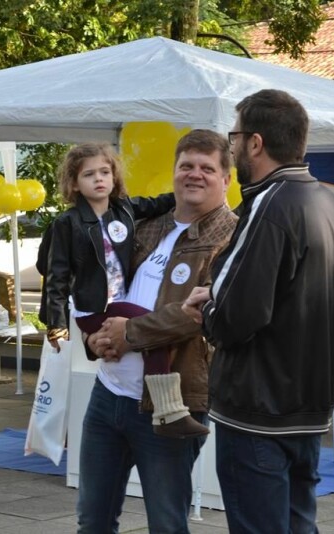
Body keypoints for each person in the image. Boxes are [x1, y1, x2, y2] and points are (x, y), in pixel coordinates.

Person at [183, 90, 334, 533]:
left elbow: (239, 316)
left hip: (259, 410)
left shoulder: (271, 204)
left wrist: (208, 307)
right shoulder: (333, 206)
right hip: (308, 409)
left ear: (255, 143)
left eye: (235, 137)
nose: (233, 146)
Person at [81, 129, 237, 533]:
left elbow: (200, 315)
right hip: (109, 394)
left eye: (207, 168)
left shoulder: (233, 237)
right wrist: (94, 335)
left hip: (172, 403)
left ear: (227, 179)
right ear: (174, 172)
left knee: (166, 524)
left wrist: (128, 333)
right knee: (92, 520)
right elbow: (106, 283)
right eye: (186, 165)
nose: (195, 175)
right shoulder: (147, 226)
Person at [43, 143, 209, 439]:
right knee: (148, 327)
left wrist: (196, 195)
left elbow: (161, 203)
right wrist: (56, 326)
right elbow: (56, 277)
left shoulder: (124, 209)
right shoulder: (67, 223)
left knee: (150, 337)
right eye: (89, 174)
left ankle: (168, 412)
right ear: (75, 184)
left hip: (117, 301)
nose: (99, 179)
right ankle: (169, 411)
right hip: (94, 308)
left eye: (105, 172)